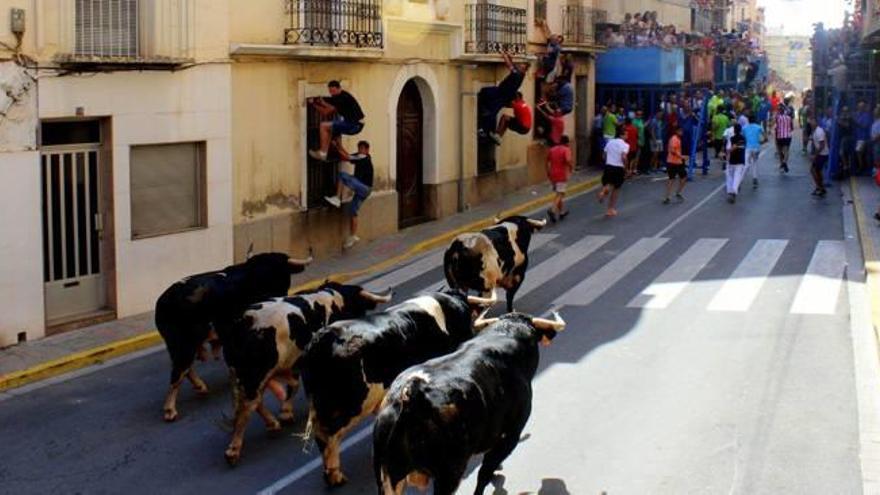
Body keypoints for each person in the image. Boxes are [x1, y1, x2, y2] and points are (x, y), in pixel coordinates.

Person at [324, 140, 373, 249]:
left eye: (362, 148)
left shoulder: (363, 157)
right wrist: (340, 146)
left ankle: (337, 198)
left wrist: (335, 147)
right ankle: (353, 236)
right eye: (359, 148)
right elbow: (348, 155)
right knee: (353, 211)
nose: (360, 150)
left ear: (367, 150)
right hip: (365, 190)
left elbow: (346, 158)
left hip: (363, 187)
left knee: (342, 175)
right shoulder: (360, 156)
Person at [478, 51, 528, 145]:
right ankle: (484, 127)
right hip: (503, 94)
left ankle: (483, 130)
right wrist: (510, 57)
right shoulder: (521, 75)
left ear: (524, 69)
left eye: (522, 65)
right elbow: (514, 66)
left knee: (490, 109)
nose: (519, 65)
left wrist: (504, 56)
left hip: (501, 94)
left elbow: (510, 66)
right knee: (490, 106)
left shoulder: (517, 74)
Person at [308, 81, 365, 162]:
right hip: (355, 124)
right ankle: (344, 156)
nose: (332, 93)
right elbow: (327, 110)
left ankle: (322, 153)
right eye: (330, 91)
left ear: (339, 88)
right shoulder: (340, 97)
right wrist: (315, 103)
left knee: (324, 126)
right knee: (332, 134)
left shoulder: (342, 98)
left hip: (354, 125)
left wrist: (315, 102)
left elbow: (327, 109)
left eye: (334, 91)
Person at [599, 126, 630, 218]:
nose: (627, 136)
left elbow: (604, 155)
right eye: (626, 134)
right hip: (618, 168)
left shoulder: (610, 142)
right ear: (622, 135)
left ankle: (603, 192)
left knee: (608, 183)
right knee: (616, 189)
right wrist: (626, 168)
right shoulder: (625, 145)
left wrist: (607, 161)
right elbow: (624, 157)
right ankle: (610, 209)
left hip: (609, 166)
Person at [546, 135, 573, 222]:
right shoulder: (566, 150)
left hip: (553, 174)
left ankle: (561, 212)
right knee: (560, 193)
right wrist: (571, 168)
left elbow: (547, 161)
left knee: (558, 192)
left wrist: (548, 172)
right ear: (567, 143)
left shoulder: (552, 149)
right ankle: (552, 209)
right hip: (562, 174)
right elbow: (568, 160)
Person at [663, 126, 687, 204]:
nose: (682, 132)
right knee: (671, 179)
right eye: (680, 131)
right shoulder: (674, 139)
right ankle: (667, 197)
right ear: (677, 131)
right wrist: (681, 156)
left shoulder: (677, 139)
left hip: (678, 162)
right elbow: (673, 151)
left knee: (683, 178)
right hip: (673, 162)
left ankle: (677, 193)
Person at [726, 124, 747, 203]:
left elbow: (730, 148)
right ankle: (734, 191)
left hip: (732, 160)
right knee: (737, 176)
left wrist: (727, 153)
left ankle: (731, 191)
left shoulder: (732, 138)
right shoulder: (743, 138)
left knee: (730, 176)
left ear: (734, 130)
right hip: (740, 160)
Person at [742, 115, 764, 188]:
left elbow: (743, 137)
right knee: (754, 162)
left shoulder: (744, 128)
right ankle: (755, 178)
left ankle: (740, 180)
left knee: (746, 164)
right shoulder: (758, 127)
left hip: (748, 148)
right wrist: (762, 142)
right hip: (756, 148)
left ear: (748, 120)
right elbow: (765, 136)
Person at [811, 116, 829, 198]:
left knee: (815, 170)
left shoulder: (819, 131)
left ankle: (820, 187)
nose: (811, 123)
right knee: (816, 171)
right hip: (821, 154)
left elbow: (822, 145)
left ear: (816, 123)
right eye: (811, 121)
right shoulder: (815, 131)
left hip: (823, 154)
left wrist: (815, 155)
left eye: (813, 121)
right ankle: (820, 187)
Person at [774, 105, 793, 173]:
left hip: (779, 136)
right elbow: (792, 128)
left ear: (779, 111)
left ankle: (782, 164)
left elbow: (776, 127)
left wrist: (775, 138)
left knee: (780, 152)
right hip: (787, 136)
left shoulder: (777, 117)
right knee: (786, 151)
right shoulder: (789, 118)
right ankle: (785, 162)